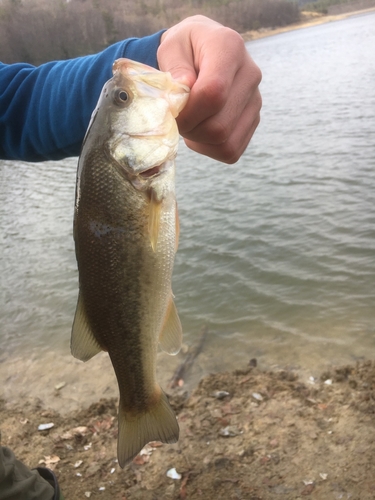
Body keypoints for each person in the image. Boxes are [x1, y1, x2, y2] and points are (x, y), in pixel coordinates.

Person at [0, 15, 262, 500]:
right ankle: (140, 402)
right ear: (124, 151)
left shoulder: (132, 164)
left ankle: (138, 403)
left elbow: (14, 100)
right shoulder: (132, 169)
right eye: (123, 100)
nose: (125, 87)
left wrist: (160, 48)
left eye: (121, 98)